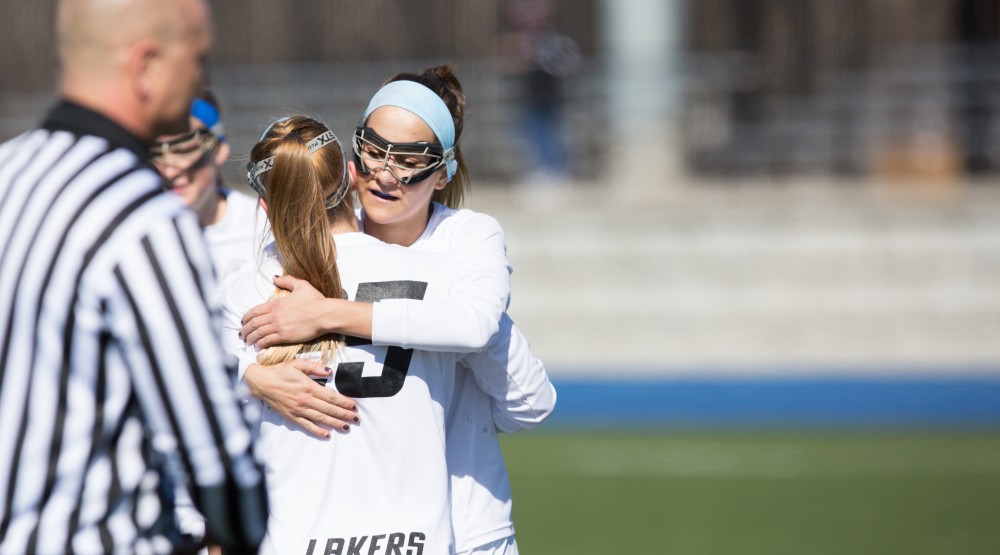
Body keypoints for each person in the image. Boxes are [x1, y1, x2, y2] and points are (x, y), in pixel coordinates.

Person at [239, 66, 556, 555]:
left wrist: (329, 314)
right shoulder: (313, 244)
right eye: (373, 151)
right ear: (350, 159)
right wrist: (250, 376)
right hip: (362, 524)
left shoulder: (466, 239)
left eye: (409, 160)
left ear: (445, 172)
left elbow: (523, 394)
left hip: (468, 528)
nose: (385, 174)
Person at [0, 1, 268, 553]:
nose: (205, 77)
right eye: (198, 58)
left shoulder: (7, 174)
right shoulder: (141, 216)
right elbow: (216, 453)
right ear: (147, 65)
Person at [224, 115, 463, 554]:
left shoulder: (247, 288)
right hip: (417, 542)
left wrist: (247, 376)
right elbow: (528, 403)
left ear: (266, 206)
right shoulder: (440, 275)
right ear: (352, 177)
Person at [150, 90, 269, 282]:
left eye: (185, 150)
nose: (169, 171)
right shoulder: (137, 236)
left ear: (220, 150)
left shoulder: (264, 227)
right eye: (156, 154)